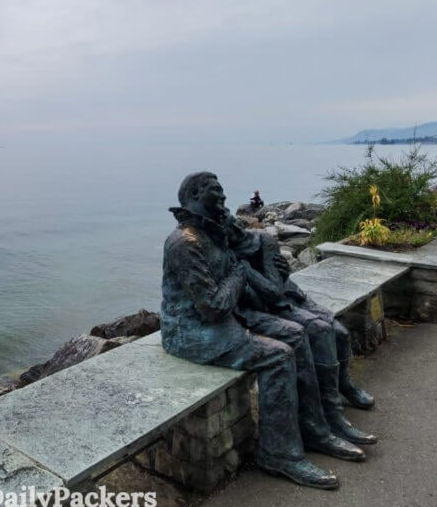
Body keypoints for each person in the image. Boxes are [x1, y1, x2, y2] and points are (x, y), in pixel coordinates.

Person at [161, 172, 355, 490]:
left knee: (297, 334)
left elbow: (249, 254)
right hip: (191, 331)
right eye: (216, 192)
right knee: (278, 356)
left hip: (227, 317)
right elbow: (213, 306)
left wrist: (269, 271)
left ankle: (315, 431)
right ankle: (279, 454)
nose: (224, 198)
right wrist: (240, 272)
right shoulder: (184, 242)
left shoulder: (214, 231)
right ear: (195, 194)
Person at [225, 217, 377, 446]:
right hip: (272, 309)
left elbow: (275, 285)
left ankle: (344, 385)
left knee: (341, 333)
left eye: (236, 223)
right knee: (322, 332)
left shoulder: (263, 239)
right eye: (228, 227)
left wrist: (260, 274)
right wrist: (255, 276)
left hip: (292, 296)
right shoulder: (228, 256)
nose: (235, 228)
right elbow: (263, 296)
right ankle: (333, 415)